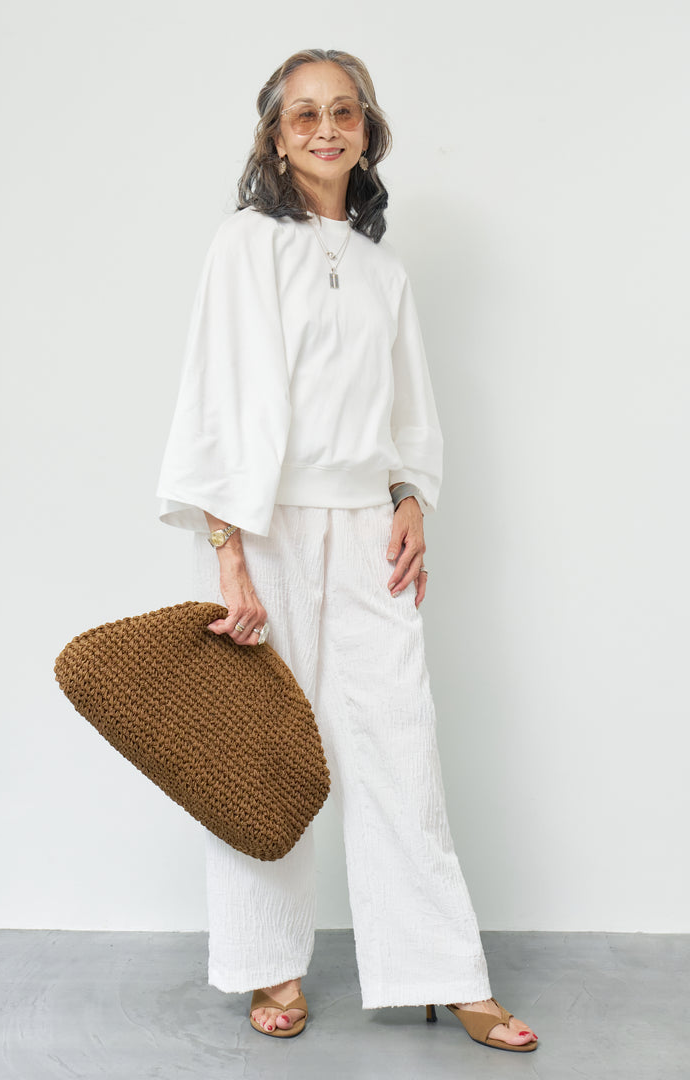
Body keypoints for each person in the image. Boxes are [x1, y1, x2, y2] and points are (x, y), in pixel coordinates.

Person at [156, 48, 538, 1052]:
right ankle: (267, 965)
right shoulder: (245, 245)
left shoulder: (383, 270)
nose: (325, 129)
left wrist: (410, 498)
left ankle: (442, 971)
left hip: (369, 534)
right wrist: (228, 556)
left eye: (344, 113)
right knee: (261, 757)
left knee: (398, 751)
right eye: (304, 115)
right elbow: (215, 401)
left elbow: (407, 413)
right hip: (264, 529)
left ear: (367, 131)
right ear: (276, 138)